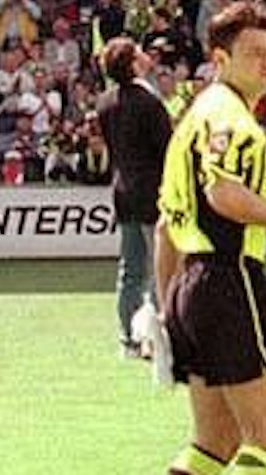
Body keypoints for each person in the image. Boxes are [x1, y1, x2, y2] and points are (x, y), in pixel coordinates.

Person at [156, 0, 266, 475]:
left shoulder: (191, 121)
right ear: (220, 59)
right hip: (231, 279)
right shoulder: (231, 118)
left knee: (214, 443)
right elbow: (223, 194)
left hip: (192, 287)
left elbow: (165, 227)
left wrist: (167, 303)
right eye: (254, 53)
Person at [98, 34, 173, 359]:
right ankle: (154, 338)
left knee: (130, 270)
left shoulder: (106, 103)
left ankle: (128, 338)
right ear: (132, 63)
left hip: (124, 191)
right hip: (153, 192)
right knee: (159, 267)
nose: (146, 56)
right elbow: (168, 149)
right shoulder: (149, 103)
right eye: (140, 53)